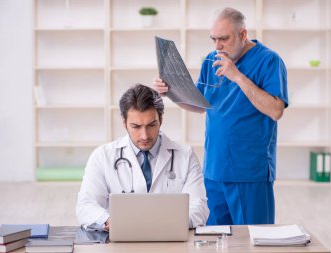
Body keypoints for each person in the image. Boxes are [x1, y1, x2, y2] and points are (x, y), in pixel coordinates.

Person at [153, 7, 288, 225]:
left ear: (243, 35)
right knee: (214, 239)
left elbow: (276, 110)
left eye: (223, 39)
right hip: (214, 171)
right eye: (213, 39)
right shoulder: (211, 60)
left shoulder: (269, 61)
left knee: (252, 240)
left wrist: (237, 76)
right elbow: (200, 106)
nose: (217, 46)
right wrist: (170, 93)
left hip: (249, 173)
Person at [76, 84, 209, 231]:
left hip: (170, 240)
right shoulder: (102, 156)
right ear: (124, 123)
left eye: (151, 125)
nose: (144, 135)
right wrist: (109, 221)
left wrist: (163, 225)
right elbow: (86, 205)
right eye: (136, 126)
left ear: (161, 121)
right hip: (121, 242)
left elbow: (199, 207)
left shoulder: (185, 155)